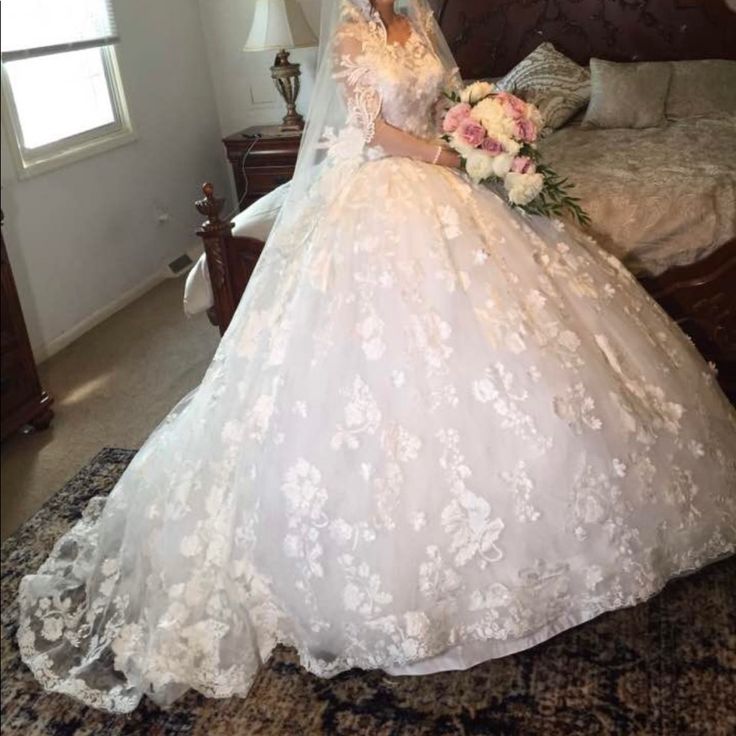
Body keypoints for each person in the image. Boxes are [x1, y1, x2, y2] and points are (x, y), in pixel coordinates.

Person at [18, 0, 735, 713]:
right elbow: (368, 127)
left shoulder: (421, 22)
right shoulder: (355, 33)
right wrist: (448, 153)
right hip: (385, 190)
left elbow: (446, 95)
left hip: (449, 179)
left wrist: (481, 125)